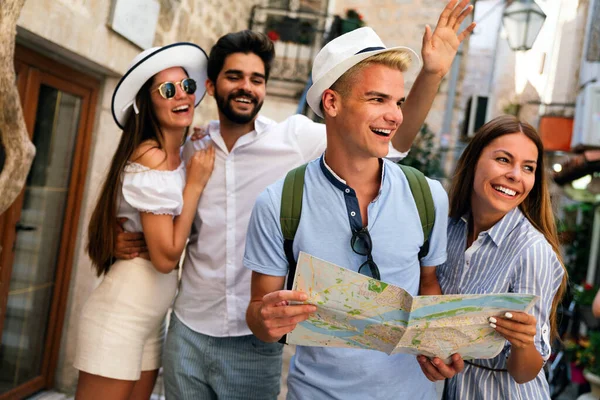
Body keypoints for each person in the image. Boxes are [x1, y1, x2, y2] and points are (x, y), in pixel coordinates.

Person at [115, 1, 475, 398]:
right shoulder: (189, 148)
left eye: (257, 78)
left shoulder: (293, 138)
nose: (247, 87)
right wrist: (122, 237)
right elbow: (151, 201)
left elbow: (390, 144)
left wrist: (432, 73)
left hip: (255, 340)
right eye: (235, 76)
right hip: (190, 323)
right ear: (212, 87)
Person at [243, 22, 469, 398]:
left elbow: (428, 283)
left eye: (397, 102)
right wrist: (266, 321)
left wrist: (437, 344)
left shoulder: (427, 196)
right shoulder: (279, 202)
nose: (395, 115)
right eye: (377, 99)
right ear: (332, 103)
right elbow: (257, 312)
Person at [73, 43, 215, 400]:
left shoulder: (177, 154)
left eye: (187, 87)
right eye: (168, 90)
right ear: (147, 103)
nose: (181, 95)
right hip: (119, 319)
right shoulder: (149, 158)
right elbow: (166, 258)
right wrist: (195, 186)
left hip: (152, 321)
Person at [432, 115, 568, 399]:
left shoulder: (531, 250)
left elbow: (526, 372)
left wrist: (522, 343)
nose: (516, 175)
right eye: (504, 160)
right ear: (473, 161)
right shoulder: (449, 229)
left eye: (528, 168)